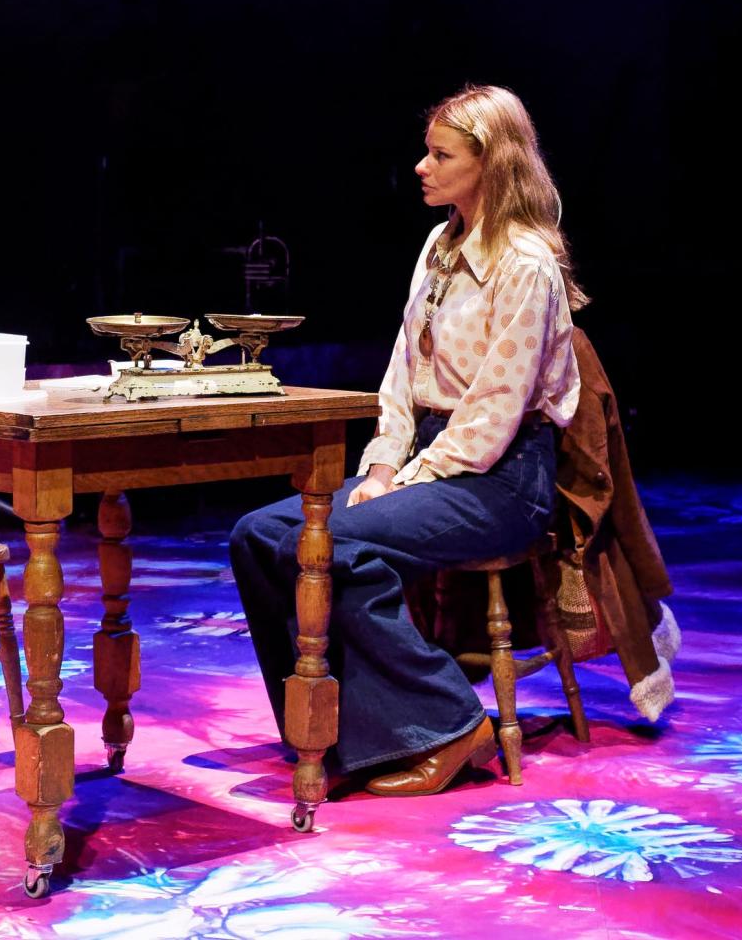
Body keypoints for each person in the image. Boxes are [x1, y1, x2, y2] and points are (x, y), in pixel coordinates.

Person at [229, 84, 584, 796]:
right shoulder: (440, 243)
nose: (422, 166)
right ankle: (333, 728)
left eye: (440, 154)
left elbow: (492, 413)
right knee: (256, 535)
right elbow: (402, 372)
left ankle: (451, 723)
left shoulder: (525, 263)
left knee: (338, 544)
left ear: (492, 163)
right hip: (433, 455)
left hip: (500, 476)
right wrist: (384, 462)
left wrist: (413, 476)